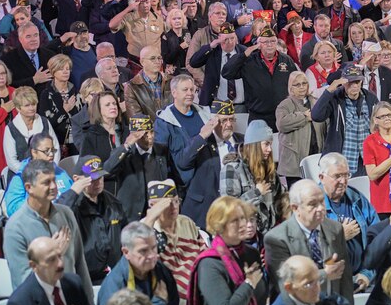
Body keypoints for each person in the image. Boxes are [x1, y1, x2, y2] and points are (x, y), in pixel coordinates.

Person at [3, 159, 93, 299]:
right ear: (28, 188)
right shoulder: (15, 228)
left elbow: (80, 262)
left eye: (54, 180)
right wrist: (54, 255)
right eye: (46, 182)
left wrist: (88, 300)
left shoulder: (66, 214)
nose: (53, 186)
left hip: (72, 299)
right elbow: (23, 282)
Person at [264, 179, 353, 305]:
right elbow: (286, 283)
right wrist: (324, 274)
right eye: (312, 204)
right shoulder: (276, 239)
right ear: (295, 208)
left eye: (322, 201)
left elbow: (346, 279)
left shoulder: (335, 229)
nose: (321, 208)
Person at [96, 222, 183, 305]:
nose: (152, 255)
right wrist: (158, 304)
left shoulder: (161, 271)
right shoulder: (114, 287)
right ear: (126, 252)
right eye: (143, 251)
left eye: (154, 248)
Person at [153, 80, 226, 228]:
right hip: (192, 196)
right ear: (174, 93)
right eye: (185, 90)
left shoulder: (204, 113)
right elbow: (181, 162)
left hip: (216, 188)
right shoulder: (165, 122)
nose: (190, 93)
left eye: (192, 90)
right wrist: (201, 137)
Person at [56, 155, 126, 285]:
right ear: (77, 180)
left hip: (114, 274)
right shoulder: (72, 205)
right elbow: (57, 217)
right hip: (84, 277)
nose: (98, 182)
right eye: (92, 179)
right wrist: (73, 192)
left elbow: (125, 234)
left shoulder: (113, 203)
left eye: (100, 177)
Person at [318, 153, 379, 292]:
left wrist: (367, 274)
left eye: (346, 175)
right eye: (337, 176)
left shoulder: (357, 199)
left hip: (362, 279)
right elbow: (309, 250)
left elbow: (376, 240)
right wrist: (340, 236)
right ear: (322, 177)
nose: (343, 181)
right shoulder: (313, 205)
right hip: (330, 285)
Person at [222, 27, 298, 130]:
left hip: (283, 114)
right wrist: (244, 55)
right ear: (259, 44)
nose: (270, 44)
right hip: (257, 116)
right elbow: (227, 73)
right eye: (266, 42)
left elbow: (295, 83)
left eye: (272, 41)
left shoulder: (286, 60)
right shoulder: (249, 61)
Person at [311, 63, 379, 177]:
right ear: (343, 83)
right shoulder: (335, 98)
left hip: (365, 159)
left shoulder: (370, 98)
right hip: (341, 158)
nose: (354, 86)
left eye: (357, 82)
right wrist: (329, 91)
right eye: (350, 82)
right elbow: (316, 116)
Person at [103, 115, 172, 222]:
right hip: (132, 216)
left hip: (159, 212)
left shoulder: (162, 150)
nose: (150, 136)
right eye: (145, 134)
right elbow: (106, 171)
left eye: (152, 132)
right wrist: (126, 145)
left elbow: (173, 177)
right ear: (134, 136)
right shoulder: (125, 154)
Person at [221, 119, 285, 233]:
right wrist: (256, 193)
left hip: (270, 235)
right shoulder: (232, 169)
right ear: (254, 145)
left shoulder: (269, 170)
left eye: (270, 144)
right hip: (245, 236)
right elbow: (228, 208)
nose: (270, 149)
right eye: (266, 144)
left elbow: (281, 199)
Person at [4, 132, 73, 216]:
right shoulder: (21, 177)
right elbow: (12, 209)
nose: (51, 155)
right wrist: (42, 205)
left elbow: (72, 197)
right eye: (46, 151)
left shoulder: (61, 173)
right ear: (34, 152)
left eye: (53, 150)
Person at [275, 71, 326, 186]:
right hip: (294, 161)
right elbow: (282, 124)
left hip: (315, 155)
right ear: (290, 87)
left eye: (304, 83)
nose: (302, 87)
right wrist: (304, 117)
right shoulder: (285, 105)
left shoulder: (316, 101)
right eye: (297, 84)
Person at [38, 53, 82, 156]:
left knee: (82, 170)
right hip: (57, 144)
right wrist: (64, 111)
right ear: (53, 71)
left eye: (67, 68)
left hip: (78, 142)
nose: (66, 71)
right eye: (61, 69)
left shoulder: (75, 91)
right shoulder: (46, 94)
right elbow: (46, 124)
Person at [124, 46, 171, 122]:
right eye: (152, 58)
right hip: (150, 133)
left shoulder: (172, 81)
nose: (157, 61)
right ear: (142, 62)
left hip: (175, 131)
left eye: (159, 58)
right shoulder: (131, 87)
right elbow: (138, 121)